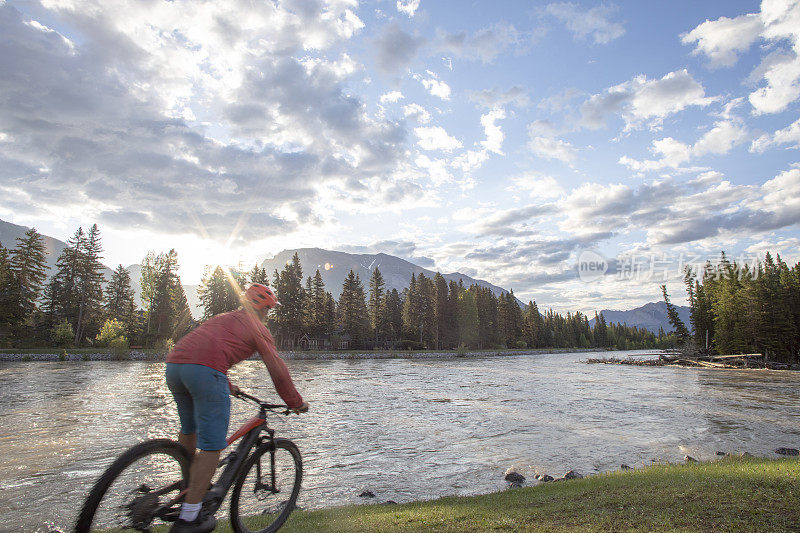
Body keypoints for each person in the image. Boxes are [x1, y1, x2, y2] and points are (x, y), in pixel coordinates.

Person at [165, 283, 308, 533]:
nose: (268, 315)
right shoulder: (258, 328)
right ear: (264, 309)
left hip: (175, 367)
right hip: (206, 372)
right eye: (269, 310)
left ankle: (189, 484)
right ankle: (189, 517)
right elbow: (277, 370)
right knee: (213, 447)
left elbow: (206, 349)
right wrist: (295, 402)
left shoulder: (224, 318)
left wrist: (228, 384)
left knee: (190, 430)